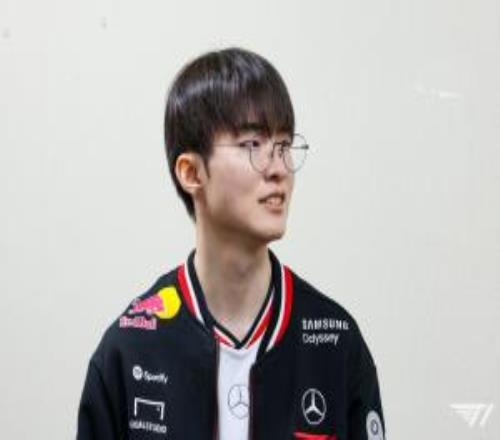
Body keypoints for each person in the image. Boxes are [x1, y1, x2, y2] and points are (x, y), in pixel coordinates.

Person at [76, 47, 386, 440]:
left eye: (284, 145)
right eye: (252, 144)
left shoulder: (336, 342)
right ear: (191, 172)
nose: (279, 168)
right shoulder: (131, 347)